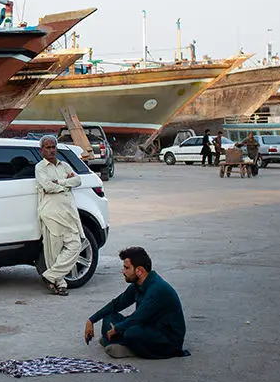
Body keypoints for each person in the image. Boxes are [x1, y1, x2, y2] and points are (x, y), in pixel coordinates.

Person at [84, 246, 189, 359]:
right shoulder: (138, 284)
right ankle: (118, 342)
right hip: (146, 326)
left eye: (127, 268)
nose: (123, 271)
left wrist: (116, 329)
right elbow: (117, 304)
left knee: (131, 332)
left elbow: (137, 318)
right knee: (109, 317)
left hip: (166, 338)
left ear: (139, 271)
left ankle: (126, 347)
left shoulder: (157, 289)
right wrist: (91, 320)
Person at [35, 134, 83, 296]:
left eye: (53, 147)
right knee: (53, 250)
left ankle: (50, 276)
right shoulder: (40, 167)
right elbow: (48, 187)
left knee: (75, 245)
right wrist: (65, 183)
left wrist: (60, 183)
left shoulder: (64, 165)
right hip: (51, 212)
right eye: (48, 147)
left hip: (68, 212)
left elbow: (78, 181)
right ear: (42, 150)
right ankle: (60, 283)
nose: (51, 150)